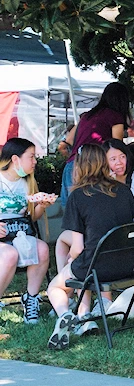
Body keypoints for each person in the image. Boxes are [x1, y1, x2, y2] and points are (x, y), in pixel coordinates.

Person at [46, 144, 134, 350]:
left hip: (96, 268)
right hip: (125, 266)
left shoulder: (79, 197)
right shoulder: (124, 191)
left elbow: (78, 247)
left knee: (55, 286)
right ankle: (85, 318)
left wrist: (70, 262)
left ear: (79, 167)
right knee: (84, 266)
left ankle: (65, 314)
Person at [0, 138, 55, 325]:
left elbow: (31, 217)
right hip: (2, 241)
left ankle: (31, 299)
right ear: (15, 159)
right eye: (31, 157)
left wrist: (42, 205)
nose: (35, 161)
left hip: (19, 234)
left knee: (42, 249)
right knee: (9, 254)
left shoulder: (27, 183)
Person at [60, 81, 131, 205]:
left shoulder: (87, 115)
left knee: (71, 213)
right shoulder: (115, 116)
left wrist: (74, 157)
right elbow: (116, 146)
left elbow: (67, 142)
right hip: (92, 168)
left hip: (72, 165)